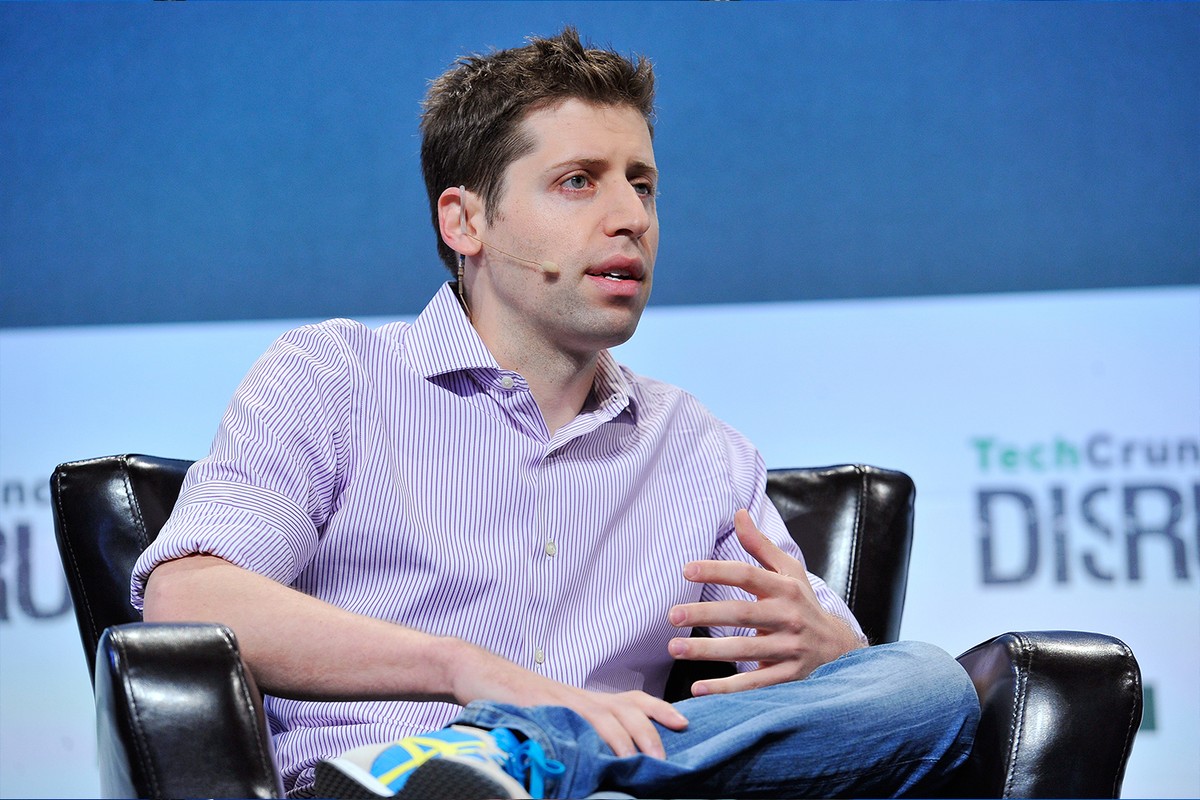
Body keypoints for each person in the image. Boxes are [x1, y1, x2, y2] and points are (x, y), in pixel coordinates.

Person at [134, 27, 979, 799]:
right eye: (579, 182)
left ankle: (528, 758)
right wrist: (463, 671)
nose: (631, 219)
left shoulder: (696, 448)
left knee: (929, 687)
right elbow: (187, 600)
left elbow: (842, 698)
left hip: (616, 785)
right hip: (382, 785)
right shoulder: (331, 380)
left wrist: (833, 651)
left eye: (642, 185)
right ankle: (477, 762)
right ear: (465, 220)